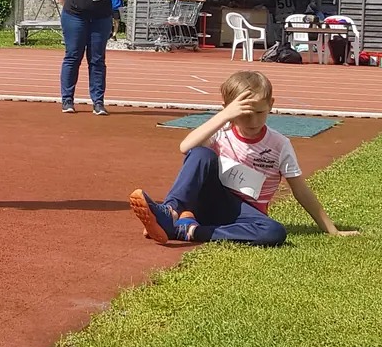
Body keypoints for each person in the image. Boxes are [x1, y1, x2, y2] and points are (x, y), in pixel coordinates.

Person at [128, 71, 358, 245]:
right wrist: (224, 116)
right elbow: (185, 147)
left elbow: (301, 190)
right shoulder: (221, 131)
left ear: (271, 105)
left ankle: (187, 231)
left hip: (246, 214)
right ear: (228, 109)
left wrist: (331, 229)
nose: (253, 121)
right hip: (209, 201)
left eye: (259, 113)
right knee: (200, 152)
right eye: (244, 114)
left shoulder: (280, 144)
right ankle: (170, 212)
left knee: (274, 232)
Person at [56, 0, 120, 116]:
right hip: (74, 16)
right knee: (73, 56)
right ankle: (67, 100)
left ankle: (98, 102)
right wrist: (67, 6)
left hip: (101, 17)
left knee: (97, 60)